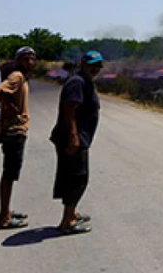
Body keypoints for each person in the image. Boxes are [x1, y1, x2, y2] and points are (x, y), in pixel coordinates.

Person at [50, 51, 104, 235]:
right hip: (73, 139)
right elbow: (69, 110)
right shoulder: (78, 82)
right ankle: (67, 222)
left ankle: (72, 213)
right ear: (83, 64)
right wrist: (73, 137)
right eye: (91, 64)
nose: (95, 68)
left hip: (78, 137)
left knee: (73, 177)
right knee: (78, 179)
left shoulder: (85, 81)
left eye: (98, 65)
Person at [0, 47, 34, 229]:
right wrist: (10, 107)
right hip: (14, 131)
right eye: (26, 59)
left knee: (10, 174)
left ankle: (6, 211)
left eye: (32, 59)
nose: (30, 63)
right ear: (18, 60)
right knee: (9, 175)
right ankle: (4, 217)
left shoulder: (21, 77)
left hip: (14, 130)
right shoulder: (17, 76)